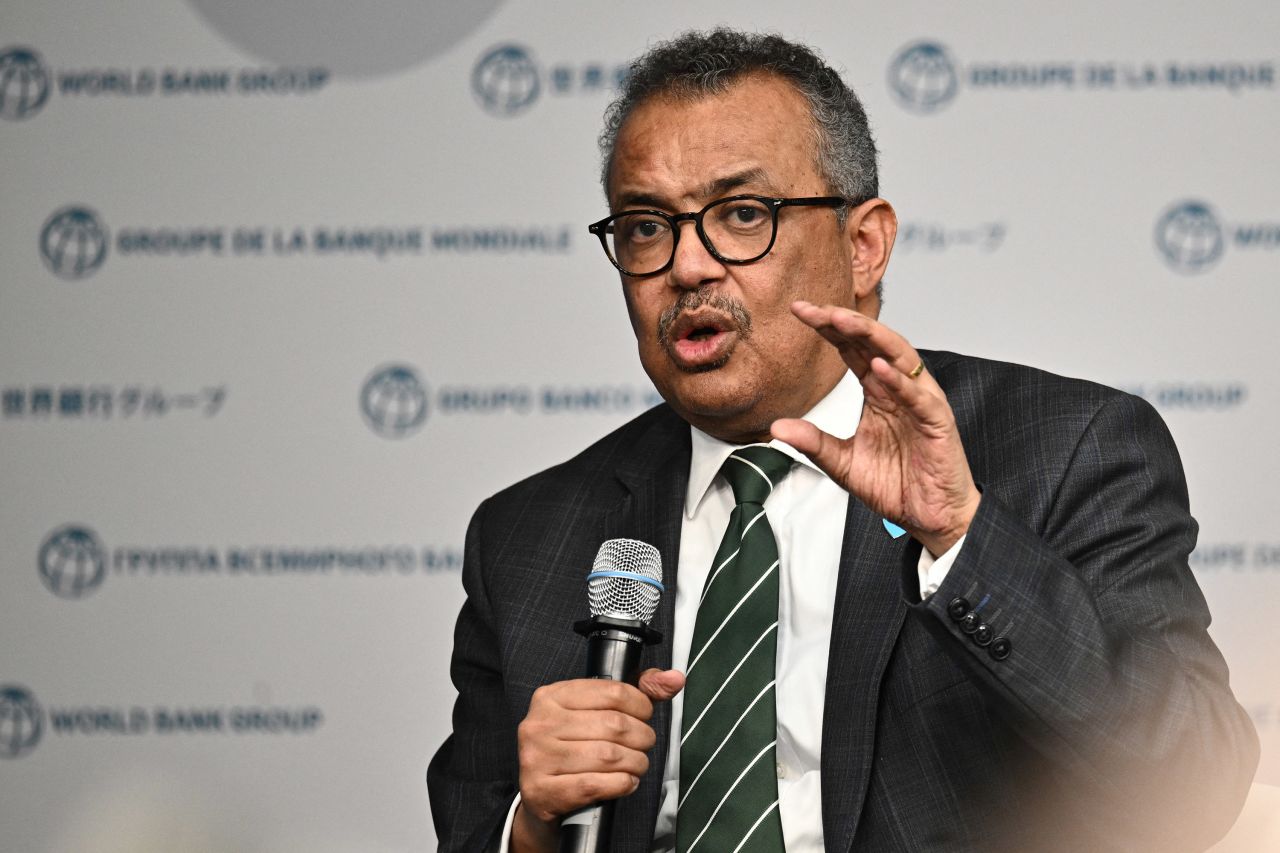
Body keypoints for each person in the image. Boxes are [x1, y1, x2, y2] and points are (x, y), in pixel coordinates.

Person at [427, 28, 1258, 853]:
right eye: (647, 226)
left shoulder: (1063, 449)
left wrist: (963, 539)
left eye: (742, 213)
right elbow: (472, 829)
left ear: (864, 245)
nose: (686, 266)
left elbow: (1195, 784)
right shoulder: (527, 535)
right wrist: (532, 828)